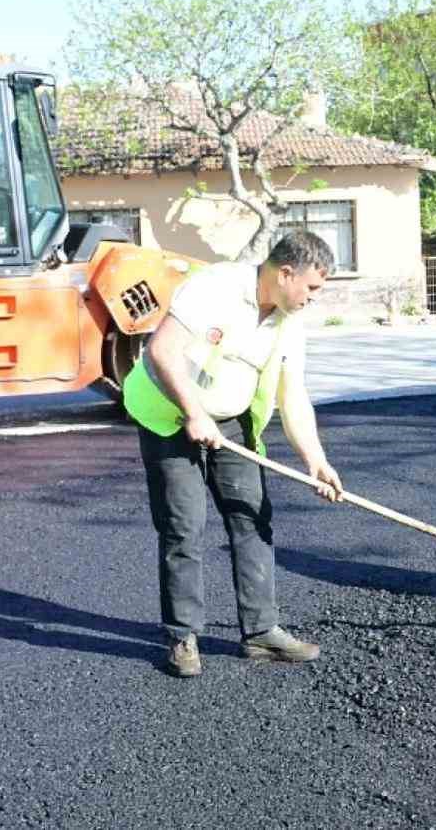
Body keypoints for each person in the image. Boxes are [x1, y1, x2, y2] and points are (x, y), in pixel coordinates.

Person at [122, 230, 346, 678]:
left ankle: (261, 631)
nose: (313, 298)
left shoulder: (287, 322)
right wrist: (194, 413)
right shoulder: (217, 287)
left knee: (252, 517)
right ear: (286, 273)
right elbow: (161, 350)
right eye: (312, 287)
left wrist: (316, 461)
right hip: (168, 416)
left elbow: (293, 397)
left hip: (229, 424)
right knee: (183, 526)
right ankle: (183, 637)